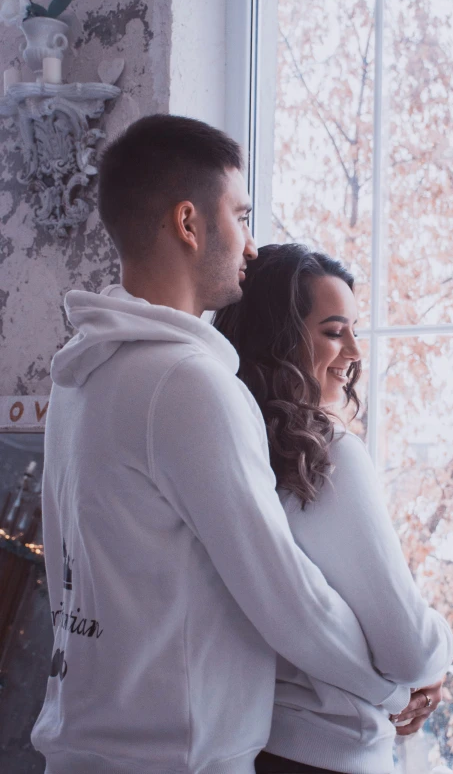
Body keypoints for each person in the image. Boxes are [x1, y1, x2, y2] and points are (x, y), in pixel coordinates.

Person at [31, 115, 417, 774]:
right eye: (240, 215)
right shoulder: (187, 385)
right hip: (169, 760)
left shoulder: (81, 371)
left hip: (82, 746)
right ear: (189, 223)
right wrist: (391, 687)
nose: (251, 245)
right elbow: (286, 599)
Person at [213, 243, 453, 774]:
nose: (354, 352)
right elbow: (409, 649)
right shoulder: (324, 457)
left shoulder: (235, 449)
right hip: (333, 752)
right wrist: (442, 654)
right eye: (332, 331)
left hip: (261, 741)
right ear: (278, 339)